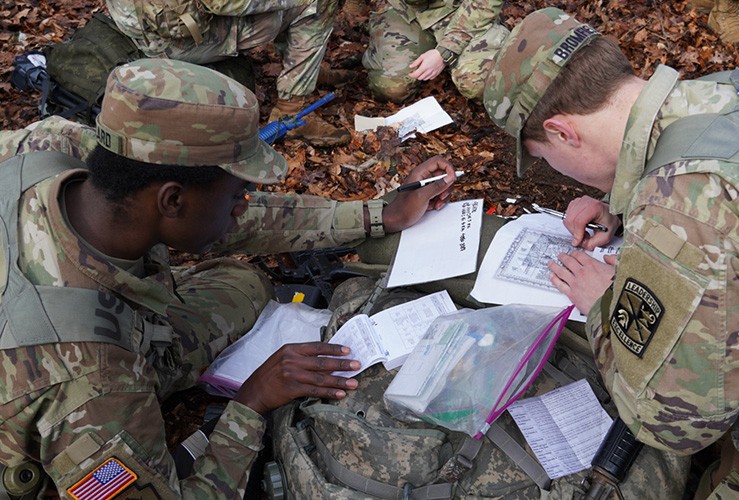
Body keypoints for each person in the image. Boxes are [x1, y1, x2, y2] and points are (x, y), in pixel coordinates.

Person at [0, 57, 457, 498]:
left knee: (242, 283)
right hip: (53, 385)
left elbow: (232, 220)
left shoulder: (52, 146)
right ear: (172, 200)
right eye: (239, 193)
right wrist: (252, 403)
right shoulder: (95, 382)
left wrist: (378, 215)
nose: (245, 204)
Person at [483, 7, 739, 498]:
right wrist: (621, 204)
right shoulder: (736, 90)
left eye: (545, 157)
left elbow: (680, 425)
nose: (556, 171)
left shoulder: (677, 208)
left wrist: (604, 303)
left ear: (562, 132)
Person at [105, 0, 351, 147]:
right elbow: (224, 3)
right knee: (316, 3)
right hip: (179, 41)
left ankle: (304, 66)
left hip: (139, 23)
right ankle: (292, 109)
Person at [361, 0, 509, 103]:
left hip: (462, 10)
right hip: (405, 10)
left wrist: (445, 52)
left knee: (481, 86)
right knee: (391, 88)